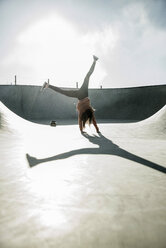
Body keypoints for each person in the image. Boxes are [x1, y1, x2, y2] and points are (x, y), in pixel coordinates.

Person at [41, 55, 100, 134]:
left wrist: (97, 129)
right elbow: (85, 120)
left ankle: (94, 61)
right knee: (63, 91)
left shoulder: (88, 111)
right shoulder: (82, 111)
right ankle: (47, 85)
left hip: (83, 93)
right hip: (80, 95)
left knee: (87, 76)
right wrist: (94, 130)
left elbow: (91, 120)